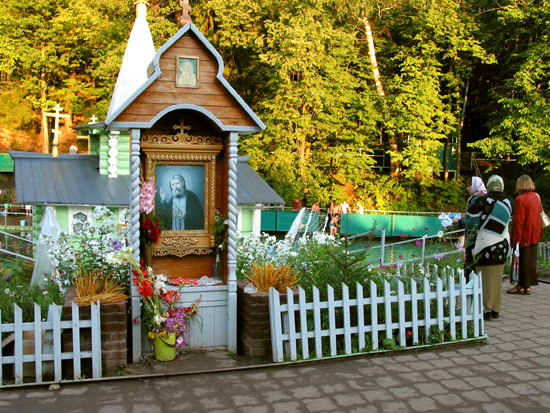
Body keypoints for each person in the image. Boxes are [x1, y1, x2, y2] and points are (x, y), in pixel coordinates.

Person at [465, 175, 513, 321]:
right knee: (497, 278)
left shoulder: (481, 201)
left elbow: (471, 223)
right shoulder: (509, 202)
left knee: (484, 278)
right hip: (503, 245)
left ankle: (486, 310)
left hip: (485, 246)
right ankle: (496, 309)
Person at [508, 174, 543, 295]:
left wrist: (516, 239)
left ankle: (521, 285)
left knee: (522, 260)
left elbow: (519, 221)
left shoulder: (520, 199)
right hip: (534, 232)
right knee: (530, 260)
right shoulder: (536, 197)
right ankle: (527, 285)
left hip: (524, 235)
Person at [453, 176, 488, 278]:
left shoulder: (476, 200)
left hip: (473, 237)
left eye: (469, 186)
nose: (467, 188)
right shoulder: (485, 198)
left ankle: (469, 282)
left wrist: (459, 221)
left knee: (469, 263)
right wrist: (466, 216)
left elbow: (472, 222)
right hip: (480, 237)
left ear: (475, 186)